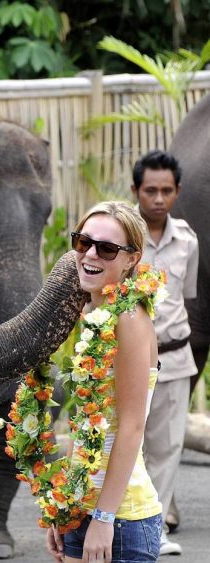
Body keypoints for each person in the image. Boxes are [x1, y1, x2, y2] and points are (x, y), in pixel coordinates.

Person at [46, 201, 163, 563]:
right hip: (83, 511)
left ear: (132, 258)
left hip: (122, 519)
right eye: (83, 242)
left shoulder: (128, 317)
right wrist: (63, 506)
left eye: (107, 248)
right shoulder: (92, 313)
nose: (91, 254)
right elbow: (84, 423)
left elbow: (130, 427)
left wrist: (103, 517)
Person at [131, 150, 198, 556]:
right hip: (128, 360)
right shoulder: (121, 241)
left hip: (174, 359)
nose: (158, 199)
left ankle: (152, 531)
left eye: (166, 191)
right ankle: (122, 524)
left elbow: (183, 298)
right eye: (150, 190)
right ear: (135, 190)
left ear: (177, 192)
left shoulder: (187, 240)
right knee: (124, 442)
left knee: (167, 448)